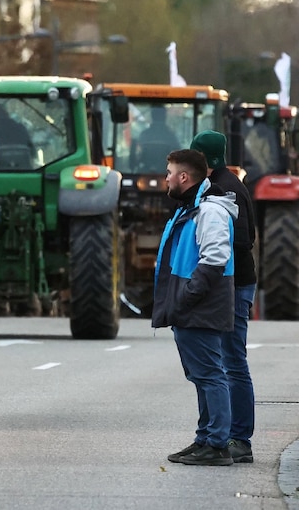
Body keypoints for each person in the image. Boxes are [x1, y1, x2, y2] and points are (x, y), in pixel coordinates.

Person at [155, 148, 238, 467]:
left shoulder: (209, 212)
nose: (166, 179)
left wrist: (186, 296)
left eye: (170, 173)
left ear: (184, 177)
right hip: (192, 305)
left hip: (200, 306)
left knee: (210, 375)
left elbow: (215, 259)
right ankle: (205, 437)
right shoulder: (191, 208)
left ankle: (217, 444)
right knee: (202, 375)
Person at [190, 130, 256, 464]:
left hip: (234, 285)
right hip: (230, 284)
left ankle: (239, 438)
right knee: (224, 361)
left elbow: (241, 242)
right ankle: (219, 434)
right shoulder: (224, 184)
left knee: (232, 361)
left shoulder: (228, 188)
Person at [136, 106, 182, 172]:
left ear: (152, 116)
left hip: (145, 171)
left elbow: (138, 154)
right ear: (164, 117)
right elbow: (178, 154)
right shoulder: (170, 135)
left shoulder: (144, 134)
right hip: (165, 171)